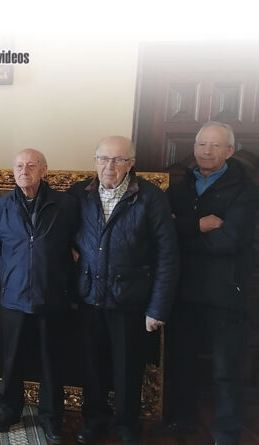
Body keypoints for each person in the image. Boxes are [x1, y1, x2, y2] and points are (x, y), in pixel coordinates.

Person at [68, 136, 178, 445]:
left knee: (128, 368)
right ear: (95, 162)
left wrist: (157, 308)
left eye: (117, 160)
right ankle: (95, 421)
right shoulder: (81, 194)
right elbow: (60, 232)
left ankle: (127, 425)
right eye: (103, 159)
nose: (109, 166)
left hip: (130, 301)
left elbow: (167, 255)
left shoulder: (151, 198)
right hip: (88, 297)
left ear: (131, 164)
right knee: (92, 368)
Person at [163, 122, 259, 445]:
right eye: (202, 144)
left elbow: (230, 241)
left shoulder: (245, 190)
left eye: (215, 145)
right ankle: (183, 421)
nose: (206, 151)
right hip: (183, 292)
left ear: (230, 151)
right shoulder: (178, 188)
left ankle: (227, 434)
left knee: (225, 370)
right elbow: (163, 235)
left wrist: (183, 231)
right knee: (182, 363)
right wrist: (199, 226)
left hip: (224, 294)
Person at [0, 149, 77, 443]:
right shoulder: (2, 207)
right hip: (14, 296)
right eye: (18, 165)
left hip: (51, 296)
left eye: (31, 165)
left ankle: (51, 418)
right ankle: (9, 410)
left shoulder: (65, 205)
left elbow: (75, 247)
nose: (24, 170)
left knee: (52, 361)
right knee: (11, 360)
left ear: (44, 170)